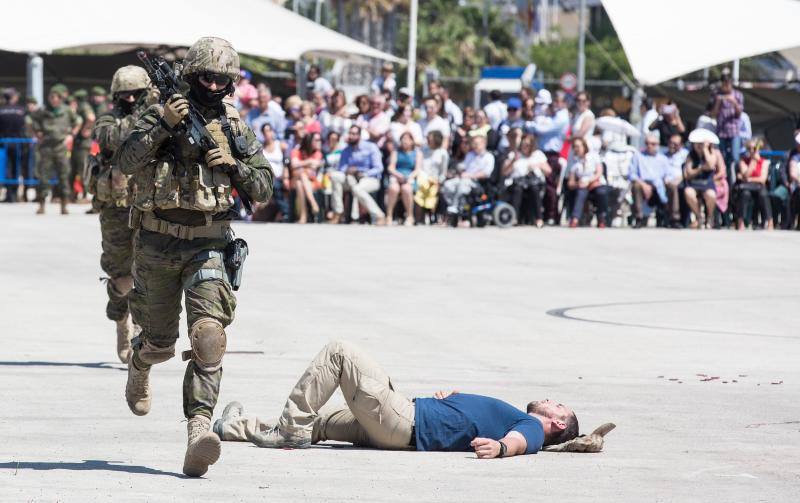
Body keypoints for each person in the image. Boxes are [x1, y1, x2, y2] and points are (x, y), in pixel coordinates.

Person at [116, 37, 274, 477]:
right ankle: (139, 361)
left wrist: (235, 165)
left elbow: (264, 187)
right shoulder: (160, 111)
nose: (213, 84)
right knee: (161, 345)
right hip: (156, 243)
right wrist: (163, 125)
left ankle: (199, 428)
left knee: (209, 336)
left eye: (221, 79)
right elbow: (125, 162)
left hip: (209, 243)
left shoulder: (234, 126)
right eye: (205, 76)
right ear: (190, 76)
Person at [212, 340, 580, 456]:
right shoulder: (519, 416)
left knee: (339, 353)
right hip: (399, 426)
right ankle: (234, 428)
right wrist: (453, 398)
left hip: (404, 421)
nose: (551, 399)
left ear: (558, 423)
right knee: (321, 424)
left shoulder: (531, 426)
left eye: (558, 404)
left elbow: (521, 442)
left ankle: (290, 429)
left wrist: (501, 449)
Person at [88, 66, 151, 363]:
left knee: (147, 270)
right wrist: (148, 115)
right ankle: (120, 321)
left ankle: (139, 328)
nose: (129, 98)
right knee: (120, 273)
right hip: (115, 207)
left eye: (135, 93)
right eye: (124, 94)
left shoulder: (156, 116)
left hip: (149, 203)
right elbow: (110, 138)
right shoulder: (109, 118)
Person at [29, 84, 82, 215]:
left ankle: (64, 205)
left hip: (60, 147)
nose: (53, 99)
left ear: (60, 98)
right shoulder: (43, 111)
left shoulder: (67, 110)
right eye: (51, 97)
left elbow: (78, 121)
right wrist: (36, 133)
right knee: (43, 176)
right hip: (46, 147)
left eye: (56, 97)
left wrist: (71, 135)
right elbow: (30, 120)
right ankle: (41, 204)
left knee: (64, 175)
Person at [329, 125, 386, 224]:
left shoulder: (371, 147)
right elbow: (341, 168)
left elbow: (379, 168)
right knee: (335, 176)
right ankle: (338, 212)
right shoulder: (346, 150)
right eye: (350, 133)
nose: (351, 136)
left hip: (369, 178)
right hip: (350, 178)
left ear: (359, 136)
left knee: (357, 189)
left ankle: (379, 215)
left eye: (354, 134)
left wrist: (363, 173)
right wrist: (349, 170)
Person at [501, 134, 549, 227]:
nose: (524, 147)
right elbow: (504, 172)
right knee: (517, 189)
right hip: (517, 182)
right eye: (523, 144)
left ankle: (539, 218)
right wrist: (513, 161)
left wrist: (538, 165)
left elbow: (548, 171)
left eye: (527, 145)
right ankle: (514, 217)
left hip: (534, 182)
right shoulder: (514, 154)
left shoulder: (538, 155)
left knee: (534, 189)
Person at [442, 134, 494, 218]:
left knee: (463, 185)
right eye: (473, 144)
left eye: (477, 144)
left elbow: (486, 173)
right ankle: (453, 206)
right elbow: (464, 167)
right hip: (464, 178)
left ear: (484, 143)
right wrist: (456, 172)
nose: (474, 146)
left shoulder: (489, 157)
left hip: (477, 182)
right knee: (447, 185)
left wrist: (470, 175)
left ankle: (456, 206)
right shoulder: (470, 155)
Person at [628, 134, 670, 228]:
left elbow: (667, 176)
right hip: (643, 184)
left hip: (659, 186)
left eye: (652, 144)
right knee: (636, 186)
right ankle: (639, 217)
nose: (649, 146)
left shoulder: (663, 158)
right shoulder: (638, 156)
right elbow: (632, 174)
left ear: (658, 144)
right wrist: (644, 185)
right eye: (647, 143)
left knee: (672, 187)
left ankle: (672, 218)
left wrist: (664, 183)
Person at [709, 73, 744, 184]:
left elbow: (739, 114)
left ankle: (736, 178)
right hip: (721, 132)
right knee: (721, 157)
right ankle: (723, 179)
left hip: (734, 131)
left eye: (728, 84)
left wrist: (734, 102)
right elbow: (713, 114)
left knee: (735, 156)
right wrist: (718, 102)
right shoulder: (716, 95)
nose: (726, 86)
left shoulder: (738, 95)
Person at [566, 137, 608, 228]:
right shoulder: (574, 161)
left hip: (595, 183)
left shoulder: (594, 156)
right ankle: (575, 219)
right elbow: (570, 182)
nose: (576, 149)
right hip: (582, 186)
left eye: (578, 146)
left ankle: (601, 218)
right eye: (574, 147)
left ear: (584, 146)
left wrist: (589, 181)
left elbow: (599, 173)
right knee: (580, 193)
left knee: (601, 192)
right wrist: (578, 184)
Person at [683, 138, 722, 229]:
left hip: (707, 183)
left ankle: (709, 217)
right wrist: (700, 168)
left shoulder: (713, 152)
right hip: (694, 183)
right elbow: (689, 173)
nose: (699, 145)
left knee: (711, 195)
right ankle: (699, 217)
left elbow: (711, 165)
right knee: (688, 192)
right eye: (697, 143)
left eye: (701, 143)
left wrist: (705, 149)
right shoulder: (690, 155)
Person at [734, 138, 773, 230]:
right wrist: (753, 162)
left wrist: (749, 179)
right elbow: (745, 174)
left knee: (763, 195)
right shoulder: (743, 161)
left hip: (759, 186)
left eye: (754, 148)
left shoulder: (765, 162)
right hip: (747, 187)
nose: (751, 151)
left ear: (758, 149)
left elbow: (762, 179)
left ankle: (770, 221)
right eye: (749, 148)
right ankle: (741, 222)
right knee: (745, 194)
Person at [385, 132, 421, 225]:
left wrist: (409, 177)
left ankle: (410, 216)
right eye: (403, 139)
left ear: (412, 141)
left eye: (407, 139)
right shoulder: (396, 152)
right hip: (397, 175)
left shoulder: (417, 153)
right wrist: (398, 175)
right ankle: (389, 215)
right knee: (393, 188)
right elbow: (391, 167)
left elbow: (417, 169)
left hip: (410, 177)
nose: (405, 141)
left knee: (407, 189)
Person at [414, 130, 449, 223]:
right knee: (420, 189)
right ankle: (419, 217)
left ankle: (432, 216)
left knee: (433, 191)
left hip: (435, 180)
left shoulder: (443, 153)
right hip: (422, 178)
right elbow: (419, 167)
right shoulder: (423, 151)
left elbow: (443, 172)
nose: (428, 141)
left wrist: (439, 181)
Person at [290, 131, 324, 223]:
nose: (319, 142)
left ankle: (303, 216)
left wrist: (301, 166)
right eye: (316, 140)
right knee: (301, 177)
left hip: (312, 182)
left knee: (300, 182)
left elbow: (313, 169)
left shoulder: (318, 153)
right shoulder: (296, 151)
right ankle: (313, 203)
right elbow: (293, 164)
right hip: (296, 180)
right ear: (309, 141)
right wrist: (308, 162)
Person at [0, 88, 27, 202]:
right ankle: (15, 194)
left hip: (3, 142)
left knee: (6, 168)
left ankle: (9, 194)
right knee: (17, 168)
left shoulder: (1, 110)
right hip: (18, 142)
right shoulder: (21, 110)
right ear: (13, 97)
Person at [69, 89, 96, 202]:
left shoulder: (84, 106)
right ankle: (75, 194)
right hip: (79, 143)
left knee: (81, 169)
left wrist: (86, 129)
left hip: (83, 144)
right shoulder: (81, 106)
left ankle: (83, 195)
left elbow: (91, 118)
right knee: (75, 169)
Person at [259, 123, 288, 222]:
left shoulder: (280, 145)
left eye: (269, 131)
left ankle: (285, 212)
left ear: (272, 132)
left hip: (280, 177)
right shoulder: (261, 148)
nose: (267, 134)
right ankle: (284, 212)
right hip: (265, 177)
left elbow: (286, 161)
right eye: (265, 132)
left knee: (275, 185)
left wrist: (286, 176)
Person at [664, 134, 688, 227]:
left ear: (681, 145)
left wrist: (679, 179)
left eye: (675, 144)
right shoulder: (663, 155)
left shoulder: (685, 154)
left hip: (680, 181)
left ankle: (675, 218)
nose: (672, 145)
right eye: (670, 143)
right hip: (664, 181)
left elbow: (686, 171)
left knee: (675, 188)